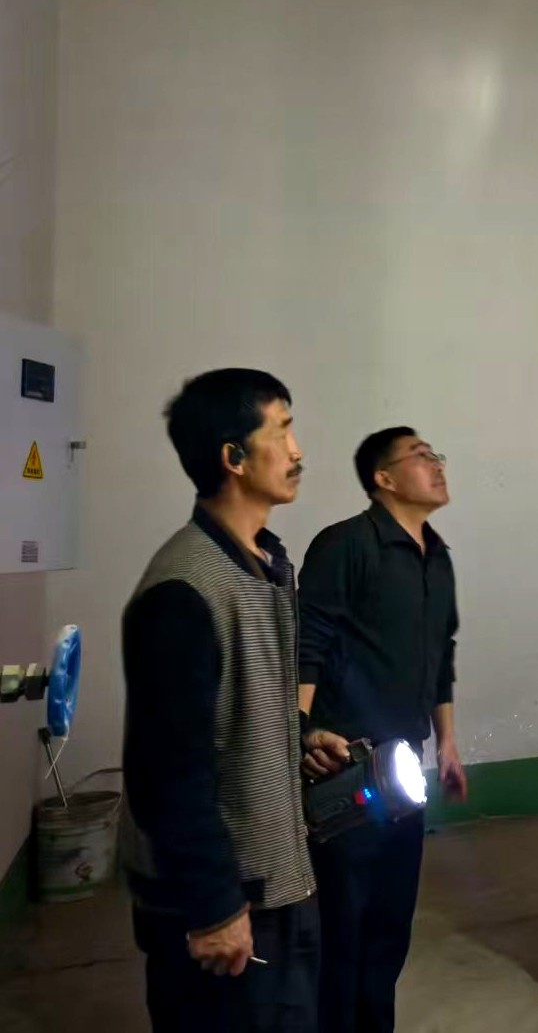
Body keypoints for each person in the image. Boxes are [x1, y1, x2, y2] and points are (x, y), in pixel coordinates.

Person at [121, 368, 348, 1032]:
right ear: (234, 457)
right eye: (282, 432)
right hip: (229, 902)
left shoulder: (263, 564)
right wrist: (215, 909)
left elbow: (228, 713)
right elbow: (168, 772)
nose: (298, 451)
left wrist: (297, 736)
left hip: (277, 878)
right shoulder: (184, 590)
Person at [297, 427, 467, 1033]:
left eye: (435, 453)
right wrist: (299, 734)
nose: (435, 464)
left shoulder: (437, 556)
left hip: (404, 766)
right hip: (345, 765)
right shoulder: (345, 545)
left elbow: (440, 655)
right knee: (342, 928)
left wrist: (446, 743)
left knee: (391, 924)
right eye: (420, 456)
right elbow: (308, 643)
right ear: (383, 478)